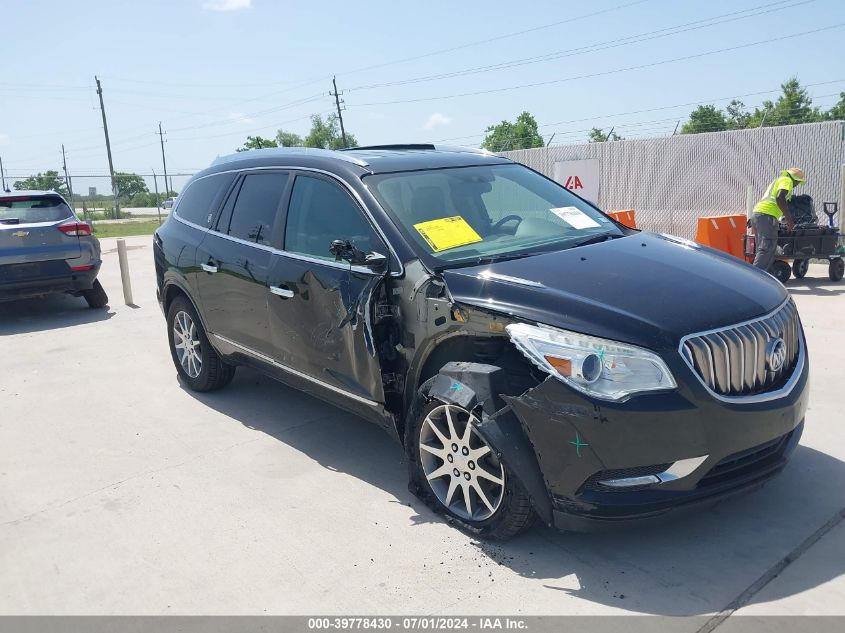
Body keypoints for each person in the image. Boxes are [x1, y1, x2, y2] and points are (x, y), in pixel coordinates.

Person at [750, 167, 805, 272]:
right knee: (767, 248)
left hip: (759, 214)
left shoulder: (778, 180)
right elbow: (780, 197)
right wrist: (789, 220)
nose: (797, 185)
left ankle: (765, 277)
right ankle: (755, 279)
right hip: (767, 215)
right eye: (798, 182)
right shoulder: (787, 180)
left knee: (763, 250)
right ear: (795, 180)